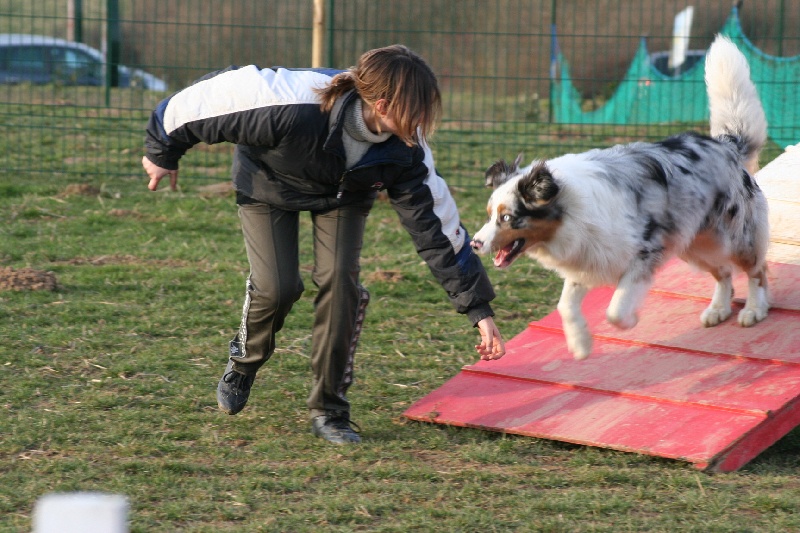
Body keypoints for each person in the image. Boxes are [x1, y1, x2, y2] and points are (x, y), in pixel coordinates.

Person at [141, 44, 506, 445]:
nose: (423, 123)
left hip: (343, 196)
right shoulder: (291, 101)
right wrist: (163, 151)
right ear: (382, 104)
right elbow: (208, 97)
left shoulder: (407, 149)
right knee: (278, 288)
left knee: (340, 284)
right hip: (268, 184)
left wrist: (477, 309)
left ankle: (329, 411)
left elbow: (435, 227)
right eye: (417, 111)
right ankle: (243, 365)